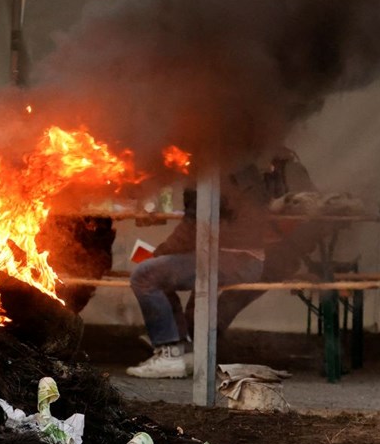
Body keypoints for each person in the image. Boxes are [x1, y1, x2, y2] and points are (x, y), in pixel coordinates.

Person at [126, 150, 319, 378]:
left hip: (232, 260)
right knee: (159, 273)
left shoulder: (213, 171)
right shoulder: (240, 166)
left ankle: (170, 353)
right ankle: (182, 349)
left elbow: (192, 228)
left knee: (145, 275)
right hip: (240, 259)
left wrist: (158, 254)